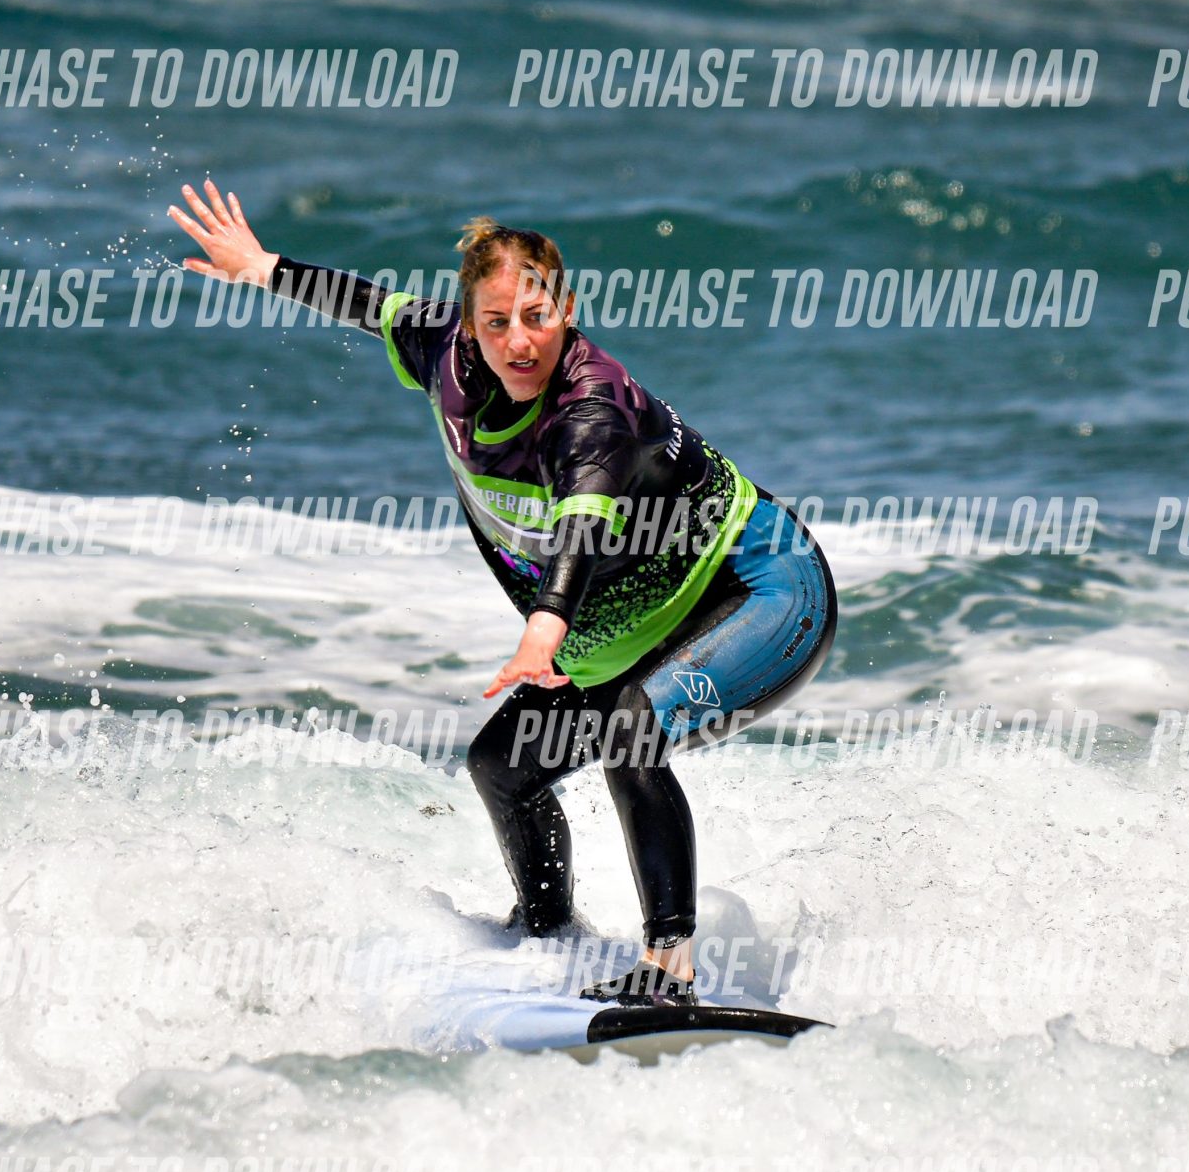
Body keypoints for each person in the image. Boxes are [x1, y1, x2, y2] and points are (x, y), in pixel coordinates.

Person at [170, 179, 836, 1005]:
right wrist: (262, 266)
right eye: (495, 322)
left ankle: (670, 969)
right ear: (467, 324)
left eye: (537, 317)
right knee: (501, 767)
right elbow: (367, 304)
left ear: (567, 310)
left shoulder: (593, 408)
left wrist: (546, 627)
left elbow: (583, 524)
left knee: (633, 735)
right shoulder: (441, 352)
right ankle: (546, 938)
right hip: (626, 638)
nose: (519, 341)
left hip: (761, 590)